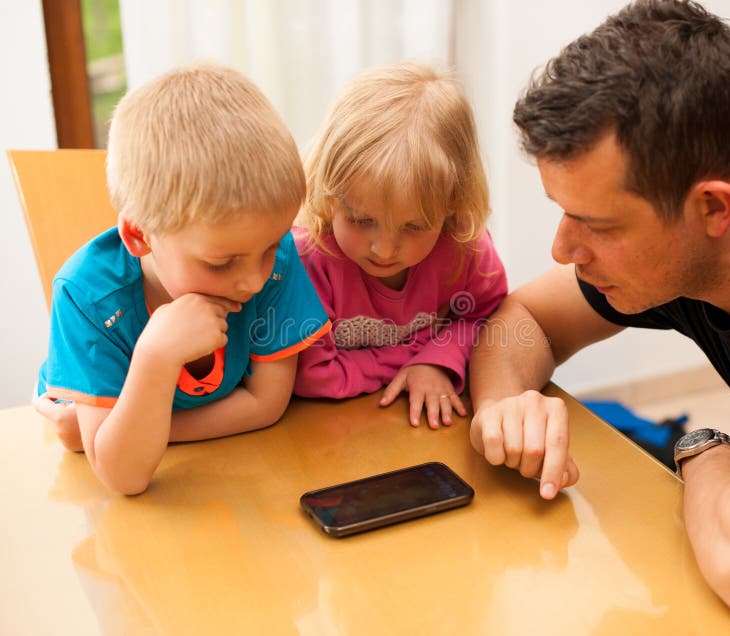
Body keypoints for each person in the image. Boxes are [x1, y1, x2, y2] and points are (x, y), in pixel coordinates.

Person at [469, 0, 730, 621]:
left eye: (596, 224)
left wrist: (705, 448)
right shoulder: (707, 248)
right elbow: (525, 320)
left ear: (712, 209)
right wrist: (503, 405)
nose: (563, 248)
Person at [35, 64, 330, 495]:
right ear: (139, 235)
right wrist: (155, 357)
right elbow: (124, 476)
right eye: (220, 262)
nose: (253, 280)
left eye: (269, 246)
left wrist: (118, 437)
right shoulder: (85, 297)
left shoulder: (274, 257)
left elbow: (266, 406)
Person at [293, 62, 507, 428]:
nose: (385, 250)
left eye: (414, 226)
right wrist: (412, 356)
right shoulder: (308, 257)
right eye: (362, 221)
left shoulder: (464, 246)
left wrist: (436, 359)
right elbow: (314, 376)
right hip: (322, 434)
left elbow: (488, 316)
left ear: (452, 204)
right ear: (328, 193)